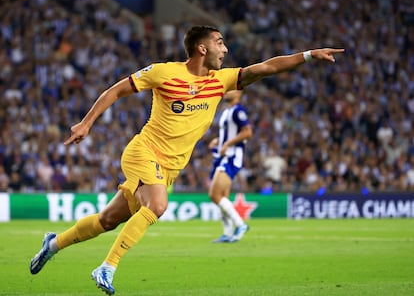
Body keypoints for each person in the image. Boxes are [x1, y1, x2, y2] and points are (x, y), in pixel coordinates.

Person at [29, 25, 344, 295]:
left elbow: (267, 68)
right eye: (220, 42)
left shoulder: (220, 80)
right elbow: (115, 91)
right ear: (202, 47)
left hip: (168, 168)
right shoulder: (164, 72)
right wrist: (86, 122)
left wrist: (307, 55)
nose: (226, 48)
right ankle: (107, 268)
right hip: (143, 152)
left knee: (108, 220)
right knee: (157, 205)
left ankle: (53, 244)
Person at [208, 89, 253, 243]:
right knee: (223, 197)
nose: (226, 92)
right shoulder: (228, 111)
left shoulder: (238, 111)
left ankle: (240, 225)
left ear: (239, 93)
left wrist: (227, 143)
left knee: (214, 195)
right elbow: (231, 134)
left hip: (231, 157)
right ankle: (227, 233)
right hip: (222, 156)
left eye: (231, 89)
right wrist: (219, 139)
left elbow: (247, 132)